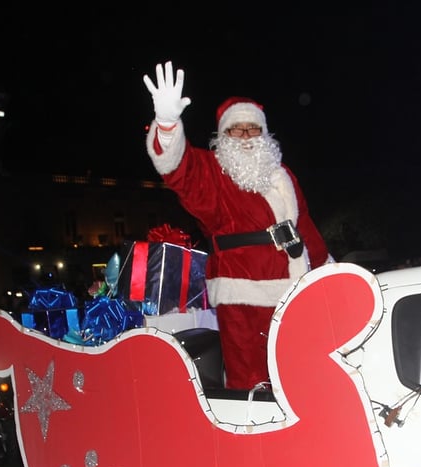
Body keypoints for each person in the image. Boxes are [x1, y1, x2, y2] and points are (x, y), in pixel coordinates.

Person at [142, 61, 332, 391]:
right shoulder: (214, 173)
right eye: (236, 130)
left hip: (293, 288)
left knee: (298, 370)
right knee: (251, 379)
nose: (245, 136)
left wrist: (330, 271)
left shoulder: (282, 174)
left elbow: (306, 228)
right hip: (242, 293)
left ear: (264, 133)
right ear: (224, 136)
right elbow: (179, 169)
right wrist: (168, 124)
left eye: (252, 129)